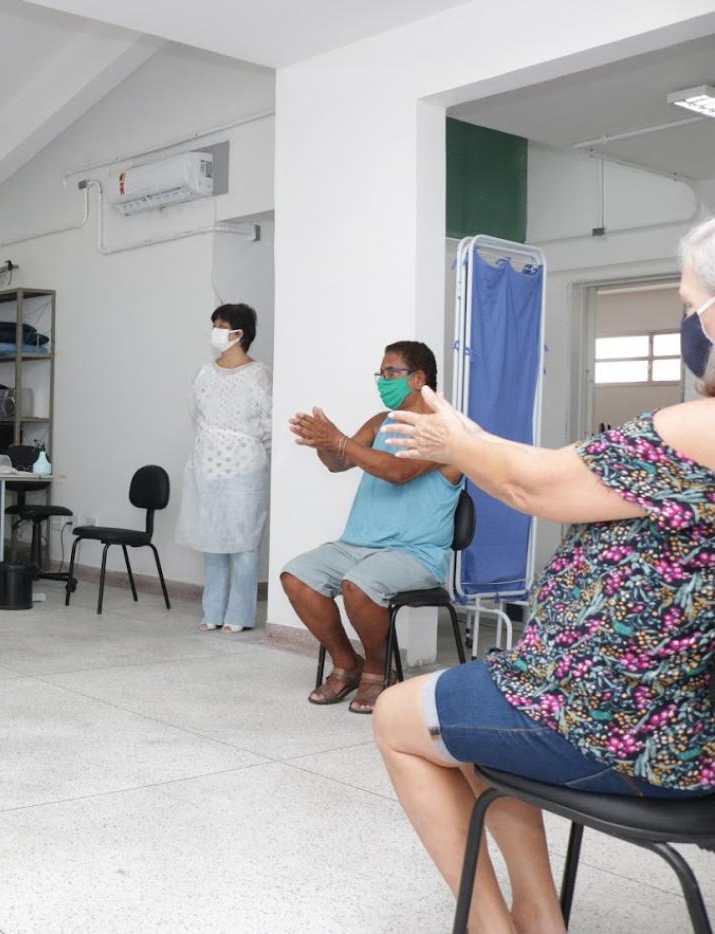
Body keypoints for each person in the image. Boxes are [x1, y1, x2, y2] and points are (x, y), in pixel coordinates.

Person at [373, 216, 715, 934]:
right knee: (467, 704)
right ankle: (539, 911)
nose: (689, 325)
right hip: (678, 716)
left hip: (624, 728)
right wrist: (464, 436)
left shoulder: (699, 428)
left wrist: (455, 442)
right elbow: (555, 470)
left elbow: (538, 489)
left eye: (690, 309)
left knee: (399, 716)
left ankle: (495, 925)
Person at [282, 341, 463, 714]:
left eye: (390, 373)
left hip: (414, 554)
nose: (383, 381)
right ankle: (348, 664)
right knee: (296, 576)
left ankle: (378, 674)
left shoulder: (446, 431)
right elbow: (337, 463)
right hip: (357, 545)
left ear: (418, 378)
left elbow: (399, 472)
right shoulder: (381, 423)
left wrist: (340, 440)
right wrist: (323, 442)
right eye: (380, 373)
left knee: (360, 585)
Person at [175, 303, 272, 633]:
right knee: (212, 542)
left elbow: (267, 425)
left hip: (244, 471)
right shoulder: (204, 372)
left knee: (243, 544)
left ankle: (239, 616)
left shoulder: (259, 375)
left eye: (222, 325)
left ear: (239, 334)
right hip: (206, 467)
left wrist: (245, 450)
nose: (215, 331)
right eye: (214, 324)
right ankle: (212, 611)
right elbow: (195, 414)